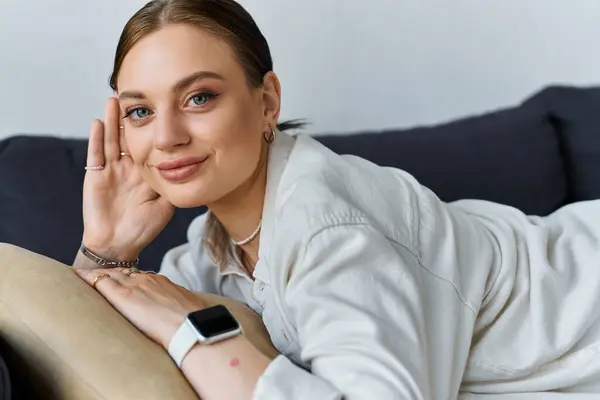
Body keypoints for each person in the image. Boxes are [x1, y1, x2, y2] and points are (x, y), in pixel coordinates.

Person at [73, 0, 600, 398]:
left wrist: (200, 333)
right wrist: (105, 248)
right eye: (139, 111)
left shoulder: (329, 228)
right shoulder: (213, 249)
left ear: (267, 102)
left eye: (199, 97)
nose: (165, 136)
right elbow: (77, 352)